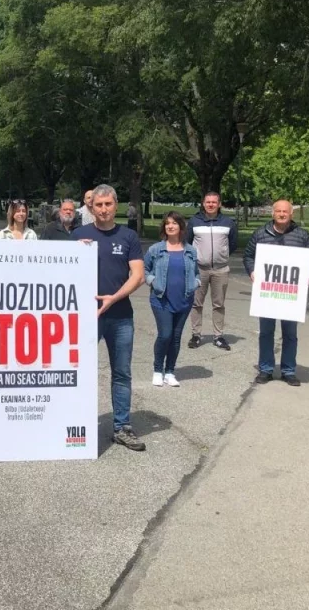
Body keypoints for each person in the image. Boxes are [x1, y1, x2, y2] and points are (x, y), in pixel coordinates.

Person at [73, 184, 146, 451]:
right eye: (98, 205)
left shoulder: (128, 236)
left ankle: (122, 426)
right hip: (85, 316)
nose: (103, 209)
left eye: (108, 204)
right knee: (77, 371)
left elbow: (137, 275)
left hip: (120, 315)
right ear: (91, 207)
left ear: (116, 206)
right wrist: (74, 252)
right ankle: (72, 422)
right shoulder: (78, 235)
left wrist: (113, 297)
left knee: (122, 373)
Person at [244, 199, 309, 386]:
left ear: (291, 214)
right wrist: (253, 271)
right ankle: (266, 370)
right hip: (268, 293)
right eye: (278, 211)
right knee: (266, 332)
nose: (282, 214)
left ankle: (288, 371)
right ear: (273, 213)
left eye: (285, 211)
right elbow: (248, 256)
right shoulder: (261, 234)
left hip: (291, 294)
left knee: (290, 334)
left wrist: (307, 275)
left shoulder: (302, 236)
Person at [145, 212, 200, 387]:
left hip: (184, 300)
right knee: (165, 334)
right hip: (161, 300)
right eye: (167, 223)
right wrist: (153, 281)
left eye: (174, 223)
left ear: (180, 227)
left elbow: (197, 273)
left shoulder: (190, 250)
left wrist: (195, 283)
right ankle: (157, 370)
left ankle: (169, 372)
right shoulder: (156, 249)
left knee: (176, 337)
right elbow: (145, 270)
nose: (170, 226)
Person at [185, 191, 238, 351]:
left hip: (221, 270)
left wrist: (221, 256)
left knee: (219, 304)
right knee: (196, 303)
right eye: (208, 202)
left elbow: (233, 244)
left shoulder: (228, 222)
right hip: (199, 269)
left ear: (219, 204)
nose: (211, 204)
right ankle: (196, 335)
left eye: (214, 202)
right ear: (203, 203)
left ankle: (218, 336)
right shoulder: (195, 221)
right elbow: (187, 243)